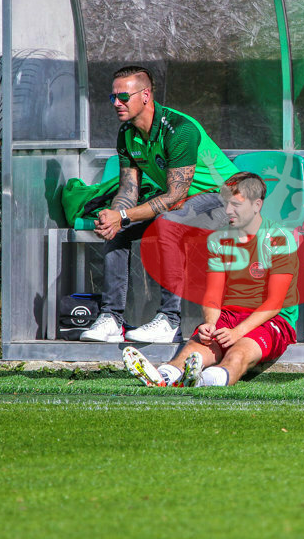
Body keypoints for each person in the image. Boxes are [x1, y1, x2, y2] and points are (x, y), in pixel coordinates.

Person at [80, 65, 238, 344]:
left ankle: (170, 320)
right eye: (113, 97)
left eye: (124, 97)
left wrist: (124, 215)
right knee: (119, 230)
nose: (117, 103)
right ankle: (112, 319)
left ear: (146, 95)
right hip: (184, 200)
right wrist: (115, 216)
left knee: (167, 225)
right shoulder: (127, 133)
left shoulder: (180, 130)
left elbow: (175, 195)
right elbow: (129, 190)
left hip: (224, 197)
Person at [123, 172, 298, 387]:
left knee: (238, 354)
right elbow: (213, 295)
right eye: (226, 204)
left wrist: (237, 332)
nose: (227, 211)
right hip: (228, 317)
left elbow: (275, 303)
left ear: (256, 205)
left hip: (271, 320)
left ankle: (204, 381)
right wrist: (211, 324)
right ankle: (164, 377)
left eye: (236, 204)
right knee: (190, 351)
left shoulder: (280, 238)